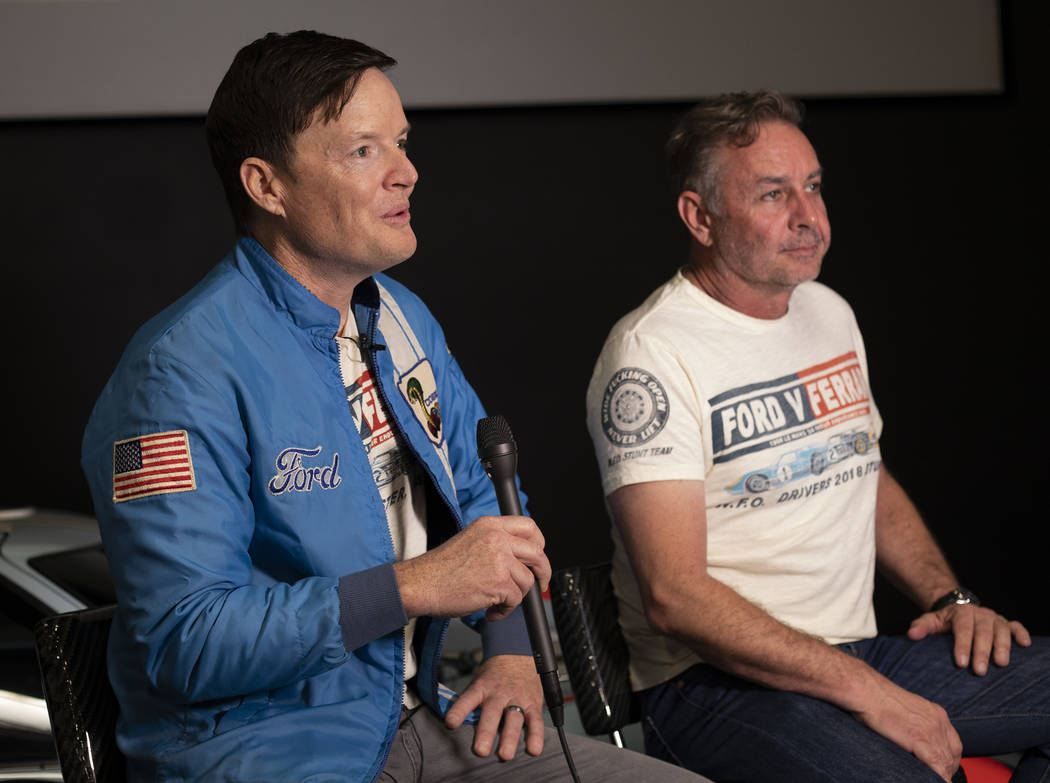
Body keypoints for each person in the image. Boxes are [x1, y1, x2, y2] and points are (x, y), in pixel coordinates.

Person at [81, 30, 709, 783]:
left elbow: (489, 507)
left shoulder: (399, 316)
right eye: (363, 151)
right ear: (266, 185)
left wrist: (511, 655)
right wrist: (414, 586)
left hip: (413, 716)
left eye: (402, 143)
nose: (407, 173)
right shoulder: (177, 372)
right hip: (265, 749)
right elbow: (187, 644)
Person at [585, 89, 1050, 783]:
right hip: (713, 688)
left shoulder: (828, 312)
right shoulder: (649, 354)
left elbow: (864, 469)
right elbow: (675, 595)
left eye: (813, 187)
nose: (809, 217)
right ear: (699, 216)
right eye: (774, 195)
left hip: (854, 653)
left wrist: (949, 599)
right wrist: (872, 694)